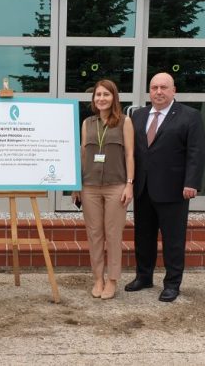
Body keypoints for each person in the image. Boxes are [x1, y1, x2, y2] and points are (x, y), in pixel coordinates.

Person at [125, 72, 205, 302]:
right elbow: (132, 153)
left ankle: (172, 283)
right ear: (149, 91)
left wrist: (192, 182)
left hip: (173, 190)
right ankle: (144, 276)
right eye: (154, 87)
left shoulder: (190, 116)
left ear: (173, 90)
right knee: (143, 236)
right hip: (143, 189)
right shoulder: (138, 117)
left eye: (163, 87)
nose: (158, 92)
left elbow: (196, 152)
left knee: (173, 239)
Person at [72, 79, 134, 300]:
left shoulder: (125, 122)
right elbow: (82, 154)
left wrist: (129, 184)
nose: (101, 99)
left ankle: (112, 280)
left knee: (113, 234)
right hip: (89, 187)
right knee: (94, 234)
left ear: (114, 97)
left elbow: (129, 155)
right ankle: (98, 278)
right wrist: (76, 185)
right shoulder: (87, 123)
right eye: (98, 95)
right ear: (93, 99)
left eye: (106, 94)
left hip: (116, 186)